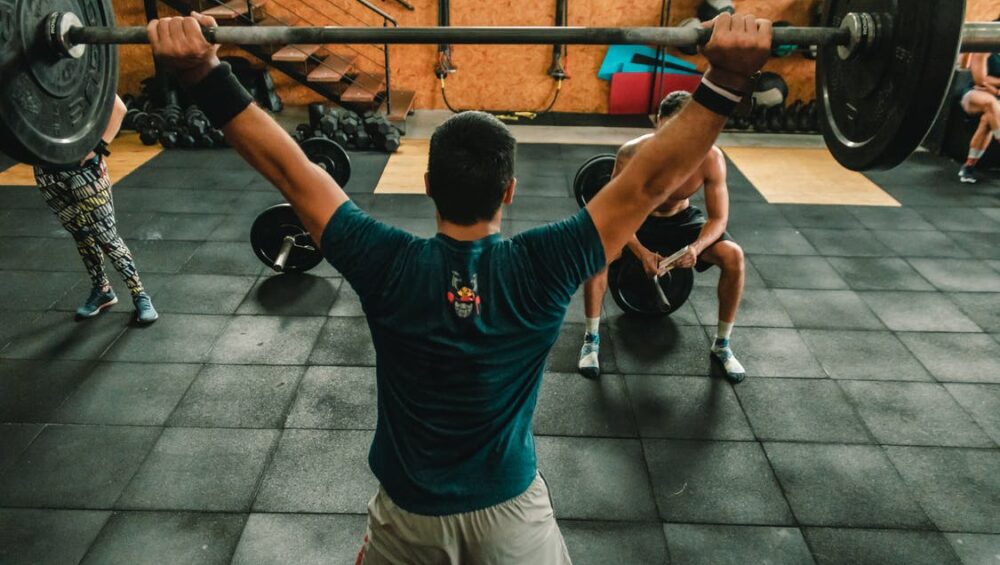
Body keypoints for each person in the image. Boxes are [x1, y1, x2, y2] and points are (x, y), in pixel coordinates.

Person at [148, 11, 771, 564]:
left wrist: (203, 72)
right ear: (510, 191)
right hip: (512, 519)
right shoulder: (547, 263)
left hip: (408, 520)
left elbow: (291, 170)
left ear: (427, 186)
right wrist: (726, 79)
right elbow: (648, 184)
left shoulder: (383, 261)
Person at [577, 91, 747, 383]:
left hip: (682, 221)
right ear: (658, 121)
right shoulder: (631, 153)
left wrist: (696, 248)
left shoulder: (710, 158)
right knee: (598, 254)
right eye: (668, 130)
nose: (673, 139)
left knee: (733, 256)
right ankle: (591, 340)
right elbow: (615, 210)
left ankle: (722, 344)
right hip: (636, 218)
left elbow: (718, 218)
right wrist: (640, 251)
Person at [33, 95, 158, 324]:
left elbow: (118, 108)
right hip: (47, 173)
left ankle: (140, 294)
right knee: (80, 234)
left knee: (106, 237)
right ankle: (102, 290)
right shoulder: (25, 82)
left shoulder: (78, 76)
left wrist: (98, 147)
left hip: (86, 171)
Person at [958, 23, 1000, 184]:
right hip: (975, 95)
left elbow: (987, 80)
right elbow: (980, 79)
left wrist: (995, 88)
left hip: (996, 98)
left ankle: (968, 167)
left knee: (987, 120)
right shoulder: (986, 43)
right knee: (991, 104)